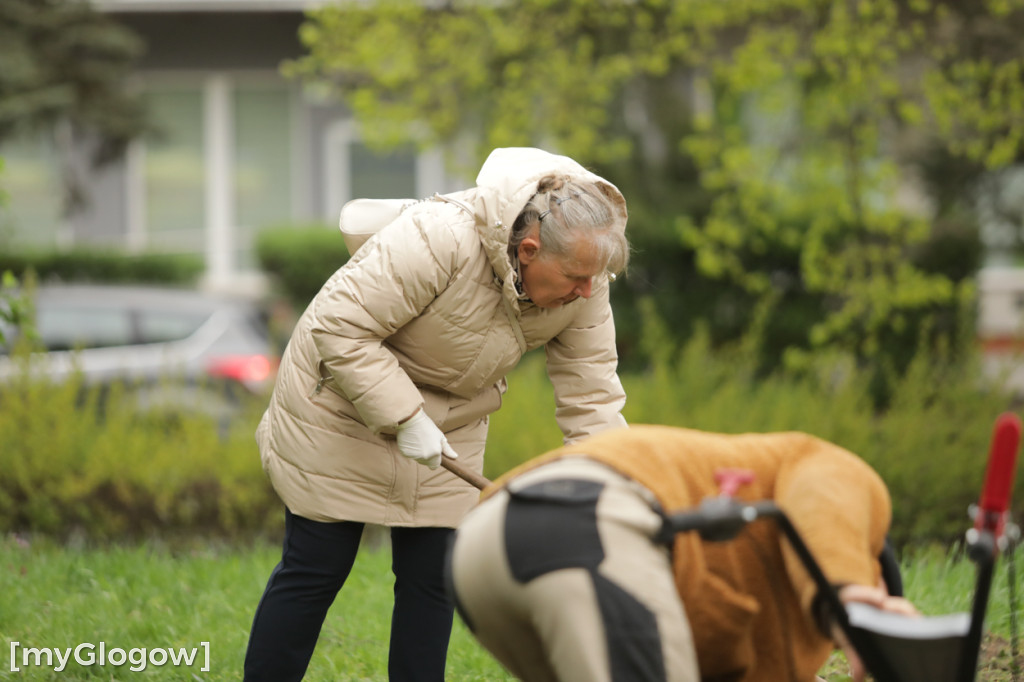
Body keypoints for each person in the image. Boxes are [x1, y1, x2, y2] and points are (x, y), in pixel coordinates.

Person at [243, 147, 631, 682]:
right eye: (576, 277)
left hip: (452, 420)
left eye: (596, 278)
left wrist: (605, 486)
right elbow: (338, 327)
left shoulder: (585, 283)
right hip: (339, 400)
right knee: (317, 568)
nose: (588, 291)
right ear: (529, 248)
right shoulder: (439, 237)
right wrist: (404, 417)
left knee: (434, 579)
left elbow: (592, 396)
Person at [447, 425, 918, 682]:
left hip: (480, 554)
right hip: (590, 520)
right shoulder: (841, 482)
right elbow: (826, 495)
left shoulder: (775, 629)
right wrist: (852, 600)